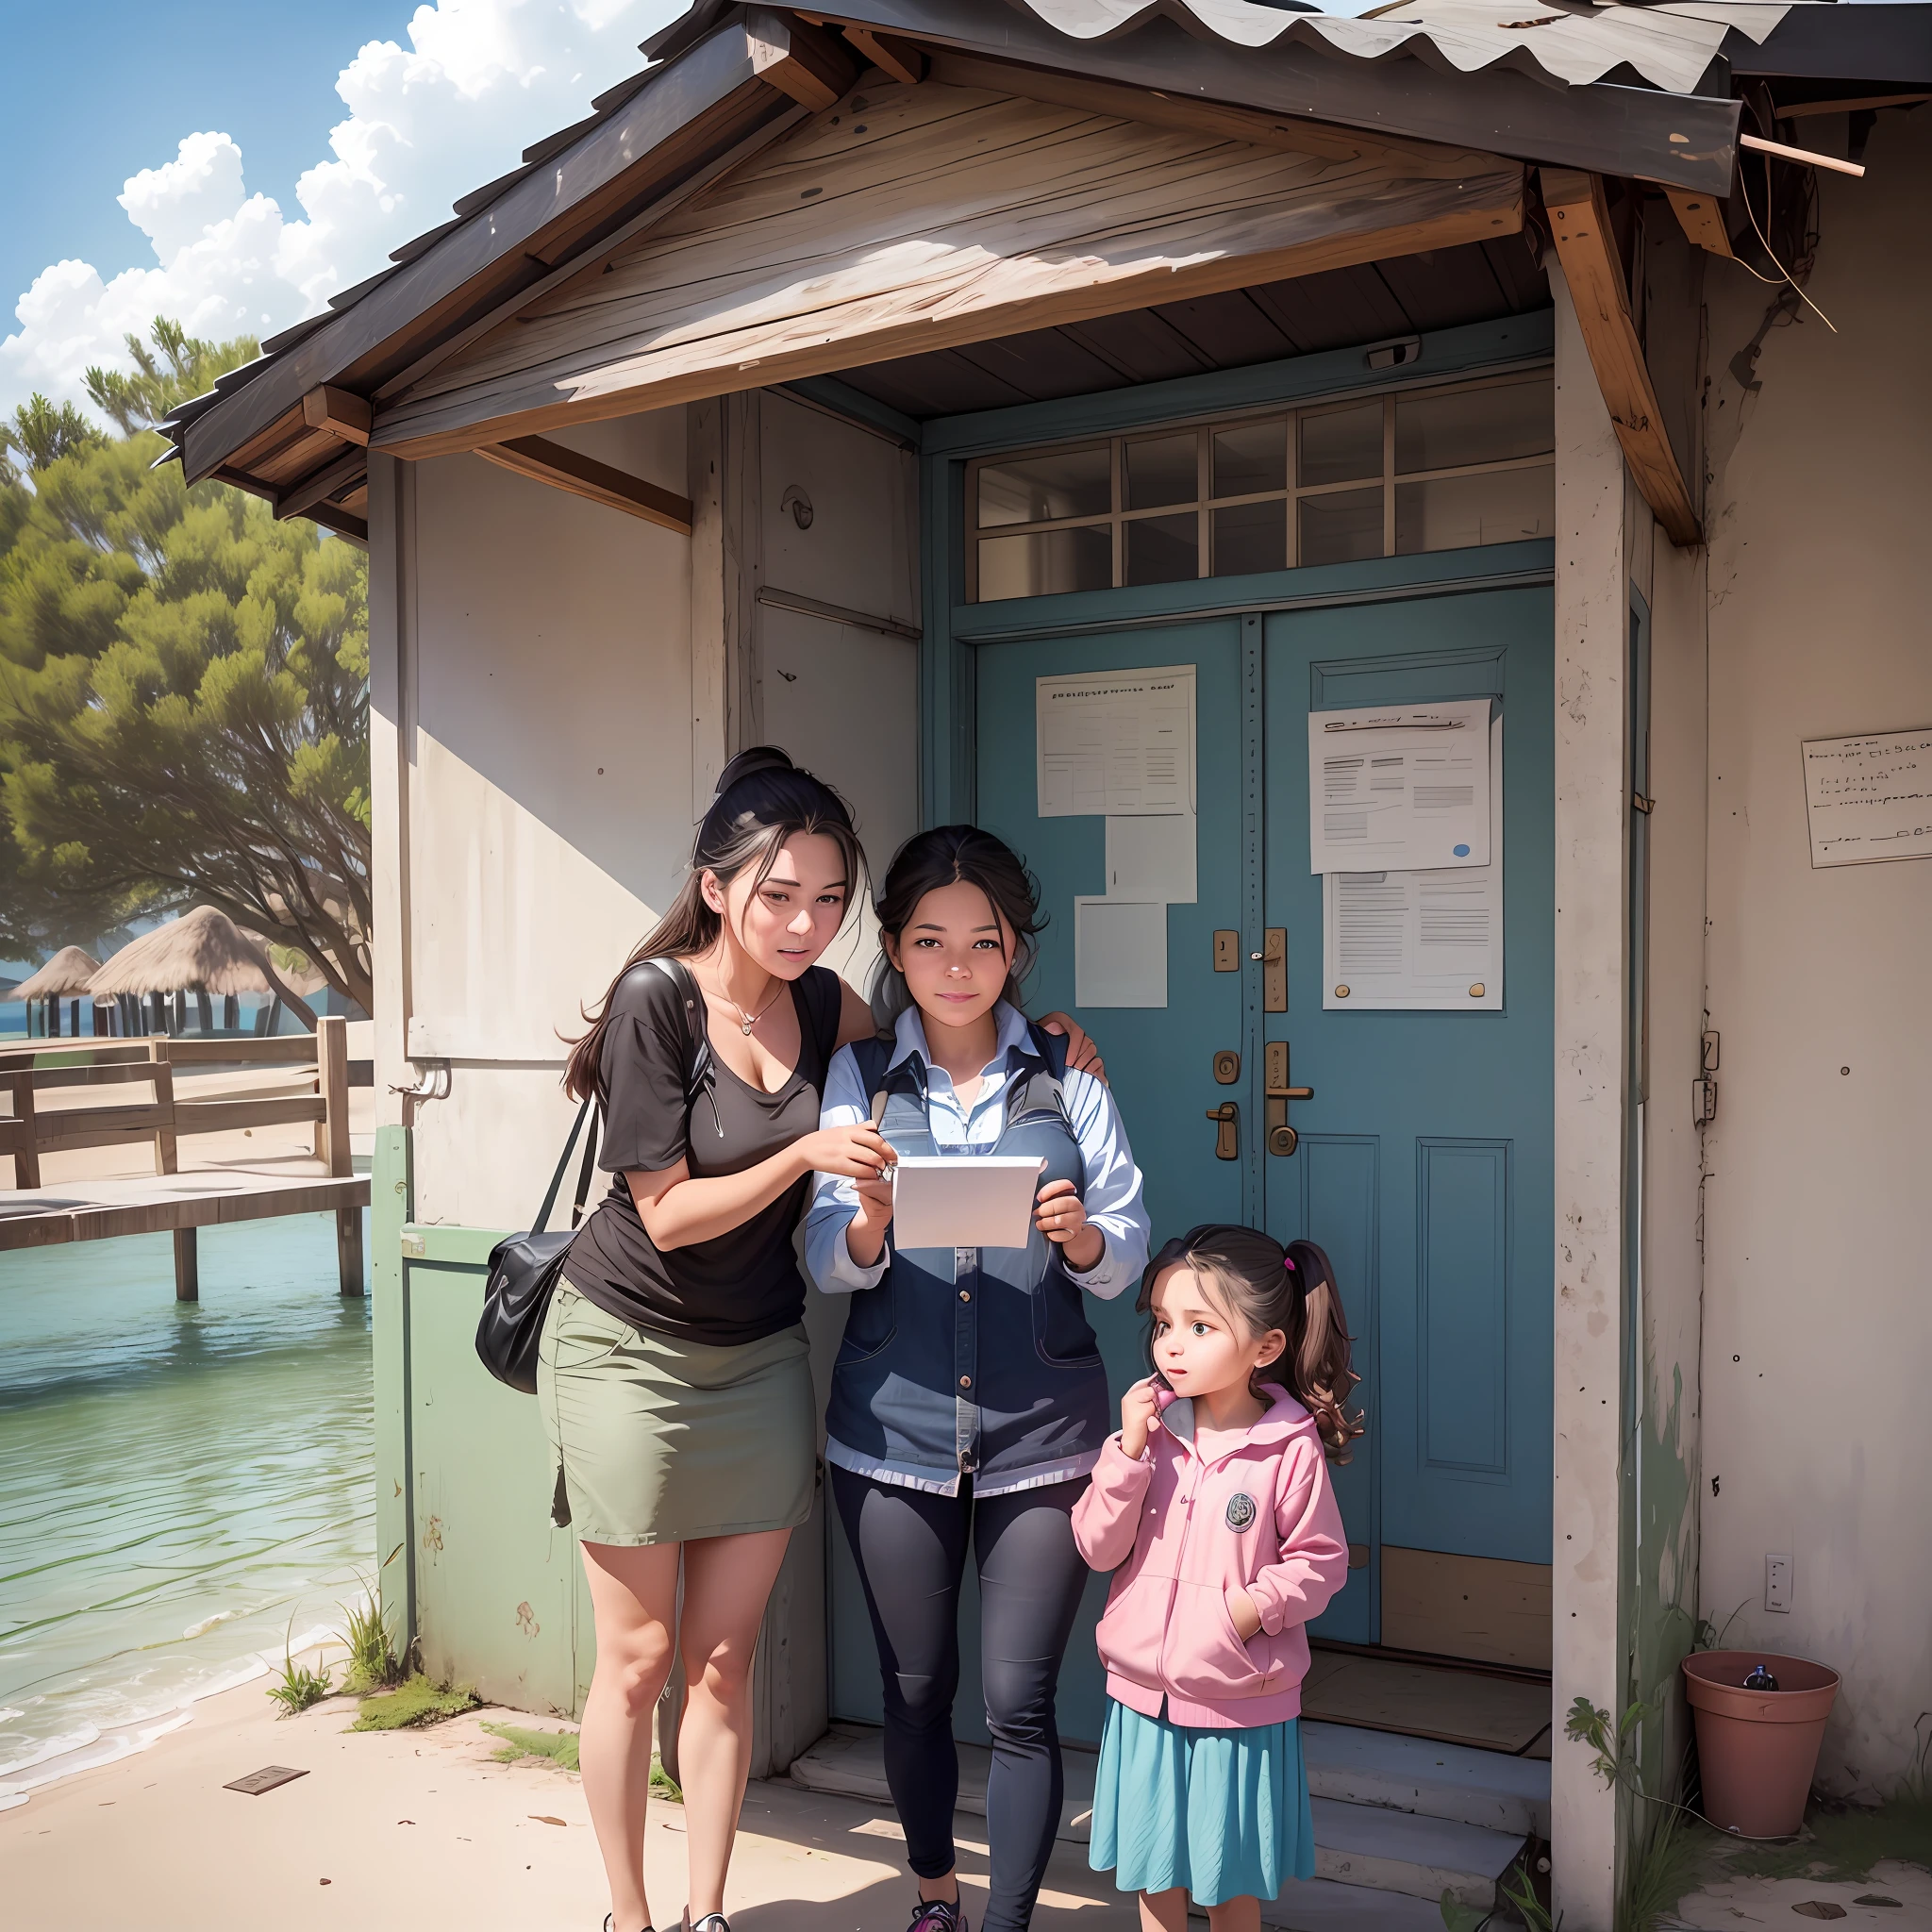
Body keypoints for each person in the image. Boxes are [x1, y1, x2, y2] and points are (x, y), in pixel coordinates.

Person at [546, 752, 1099, 1932]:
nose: (805, 922)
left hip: (758, 1351)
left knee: (721, 1659)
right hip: (629, 1346)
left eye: (830, 900)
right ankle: (627, 1913)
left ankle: (704, 1912)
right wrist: (800, 1158)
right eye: (778, 895)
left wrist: (1050, 1040)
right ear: (714, 886)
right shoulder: (656, 997)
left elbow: (940, 1019)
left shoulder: (818, 1004)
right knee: (638, 1657)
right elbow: (664, 1212)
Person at [805, 825, 1150, 1932]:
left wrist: (1084, 1238)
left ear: (1014, 950)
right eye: (929, 940)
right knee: (913, 1692)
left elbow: (1130, 1248)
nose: (957, 965)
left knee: (1019, 1702)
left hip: (1043, 1434)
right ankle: (934, 1896)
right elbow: (820, 1258)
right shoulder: (855, 1077)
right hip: (889, 1434)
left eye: (982, 941)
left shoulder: (1067, 1076)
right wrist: (861, 1222)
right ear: (895, 951)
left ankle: (1004, 1922)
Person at [1072, 1226, 1362, 1932]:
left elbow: (1321, 1562)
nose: (1172, 1345)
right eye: (1164, 1324)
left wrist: (1248, 1612)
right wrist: (1129, 1452)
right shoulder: (1153, 1435)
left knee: (1228, 1886)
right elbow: (1096, 1546)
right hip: (1142, 1699)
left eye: (1200, 1327)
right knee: (1153, 1875)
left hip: (1238, 1706)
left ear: (1265, 1348)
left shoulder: (1288, 1451)